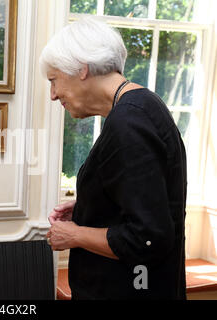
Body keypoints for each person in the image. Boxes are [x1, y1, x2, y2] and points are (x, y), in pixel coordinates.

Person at [40, 17, 187, 299]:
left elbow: (148, 239)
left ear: (81, 68)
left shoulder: (129, 123)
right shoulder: (143, 105)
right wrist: (91, 207)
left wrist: (74, 235)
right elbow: (145, 200)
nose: (53, 94)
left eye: (54, 81)